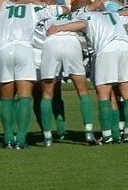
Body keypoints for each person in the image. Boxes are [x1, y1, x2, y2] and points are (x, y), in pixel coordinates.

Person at [47, 0, 128, 143]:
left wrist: (58, 28)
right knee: (127, 93)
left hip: (106, 49)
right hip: (125, 47)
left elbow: (81, 23)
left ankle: (108, 135)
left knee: (103, 94)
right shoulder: (111, 13)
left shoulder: (85, 14)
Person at [0, 0, 59, 149]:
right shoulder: (32, 7)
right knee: (25, 97)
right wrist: (33, 0)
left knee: (6, 98)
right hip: (24, 48)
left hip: (3, 50)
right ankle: (21, 140)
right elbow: (59, 10)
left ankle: (8, 139)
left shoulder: (0, 5)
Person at [39, 10, 97, 146]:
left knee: (47, 93)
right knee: (82, 90)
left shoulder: (46, 15)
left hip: (50, 43)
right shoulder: (76, 14)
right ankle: (89, 132)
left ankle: (47, 137)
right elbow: (83, 24)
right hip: (71, 41)